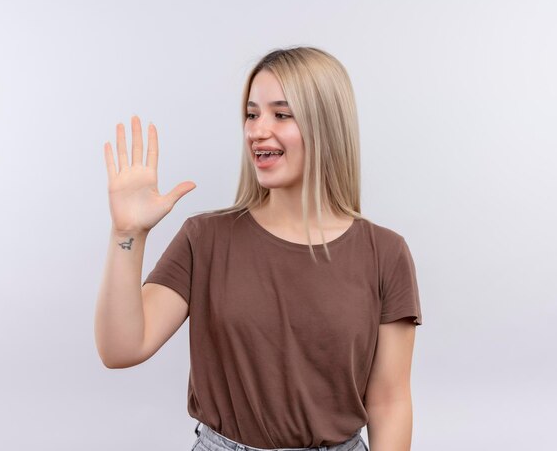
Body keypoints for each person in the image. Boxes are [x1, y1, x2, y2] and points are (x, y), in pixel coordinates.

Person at [95, 46, 423, 451]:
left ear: (326, 125)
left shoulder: (384, 253)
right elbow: (120, 348)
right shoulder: (206, 238)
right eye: (252, 114)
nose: (256, 130)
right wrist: (126, 234)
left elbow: (389, 401)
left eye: (281, 114)